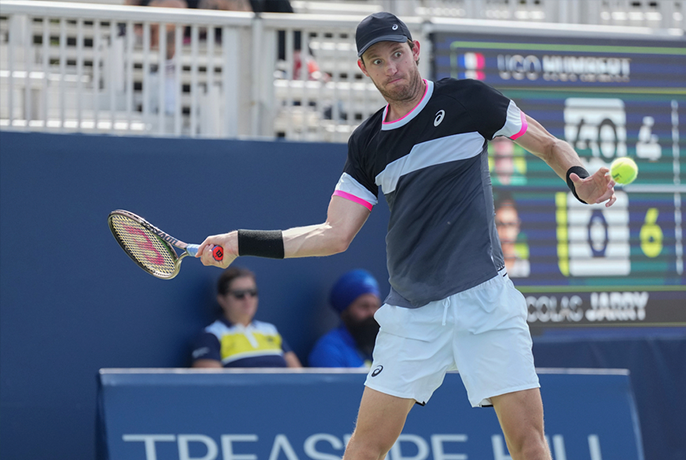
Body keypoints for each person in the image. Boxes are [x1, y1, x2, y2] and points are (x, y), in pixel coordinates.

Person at [196, 12, 616, 460]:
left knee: (529, 444)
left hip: (486, 302)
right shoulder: (367, 142)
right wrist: (241, 240)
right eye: (377, 60)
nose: (390, 67)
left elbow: (548, 143)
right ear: (363, 68)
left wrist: (580, 181)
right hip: (413, 315)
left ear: (414, 51)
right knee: (365, 448)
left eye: (397, 54)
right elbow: (334, 234)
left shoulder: (468, 101)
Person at [190, 266, 302, 368]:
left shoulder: (270, 330)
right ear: (222, 299)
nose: (247, 299)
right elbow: (210, 385)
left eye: (252, 293)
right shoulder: (211, 336)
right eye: (239, 294)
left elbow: (298, 376)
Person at [308, 269, 382, 368]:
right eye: (364, 306)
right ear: (345, 312)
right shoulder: (328, 350)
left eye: (375, 306)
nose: (372, 313)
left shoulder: (384, 346)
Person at [495, 192, 530, 278]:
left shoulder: (525, 267)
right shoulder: (484, 269)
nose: (505, 231)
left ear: (517, 226)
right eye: (500, 224)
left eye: (510, 224)